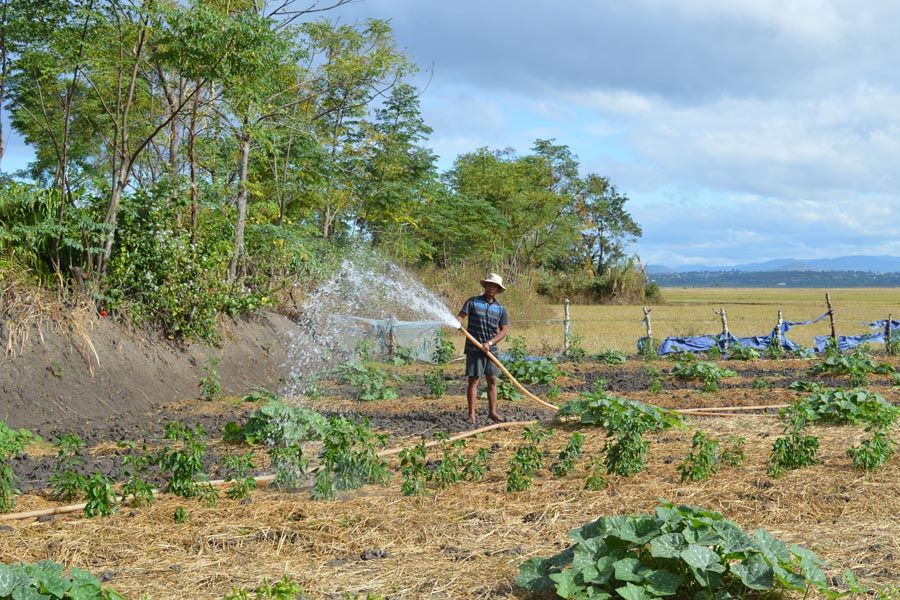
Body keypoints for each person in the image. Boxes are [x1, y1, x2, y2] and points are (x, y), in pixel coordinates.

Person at [456, 273, 510, 424]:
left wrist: (490, 343)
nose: (492, 288)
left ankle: (492, 412)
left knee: (492, 379)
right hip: (474, 348)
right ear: (485, 286)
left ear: (498, 290)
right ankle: (471, 414)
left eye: (495, 286)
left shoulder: (500, 309)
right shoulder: (472, 302)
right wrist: (458, 322)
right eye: (490, 285)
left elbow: (504, 330)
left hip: (490, 350)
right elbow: (461, 316)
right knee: (474, 380)